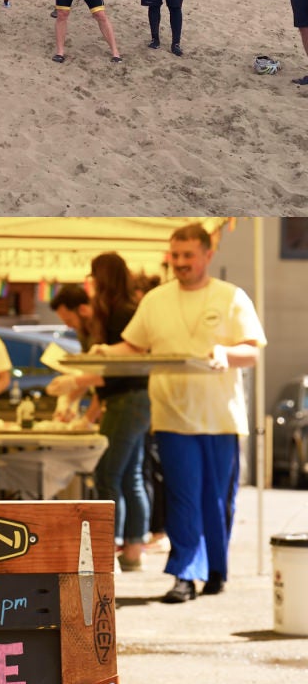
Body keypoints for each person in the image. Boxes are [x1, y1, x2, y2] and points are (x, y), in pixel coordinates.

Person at [98, 223, 265, 603]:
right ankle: (185, 573)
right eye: (175, 256)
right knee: (183, 497)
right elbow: (132, 347)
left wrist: (226, 353)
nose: (181, 263)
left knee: (217, 499)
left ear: (208, 255)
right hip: (172, 415)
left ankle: (216, 569)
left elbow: (252, 352)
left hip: (220, 417)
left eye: (188, 255)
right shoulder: (155, 300)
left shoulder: (231, 297)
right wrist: (103, 354)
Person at [52, 258, 151, 571]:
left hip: (127, 399)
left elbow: (120, 368)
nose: (89, 283)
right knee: (130, 476)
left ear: (102, 278)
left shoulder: (120, 313)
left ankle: (108, 550)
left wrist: (78, 380)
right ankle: (132, 550)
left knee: (107, 474)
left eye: (92, 277)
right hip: (135, 399)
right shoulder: (125, 310)